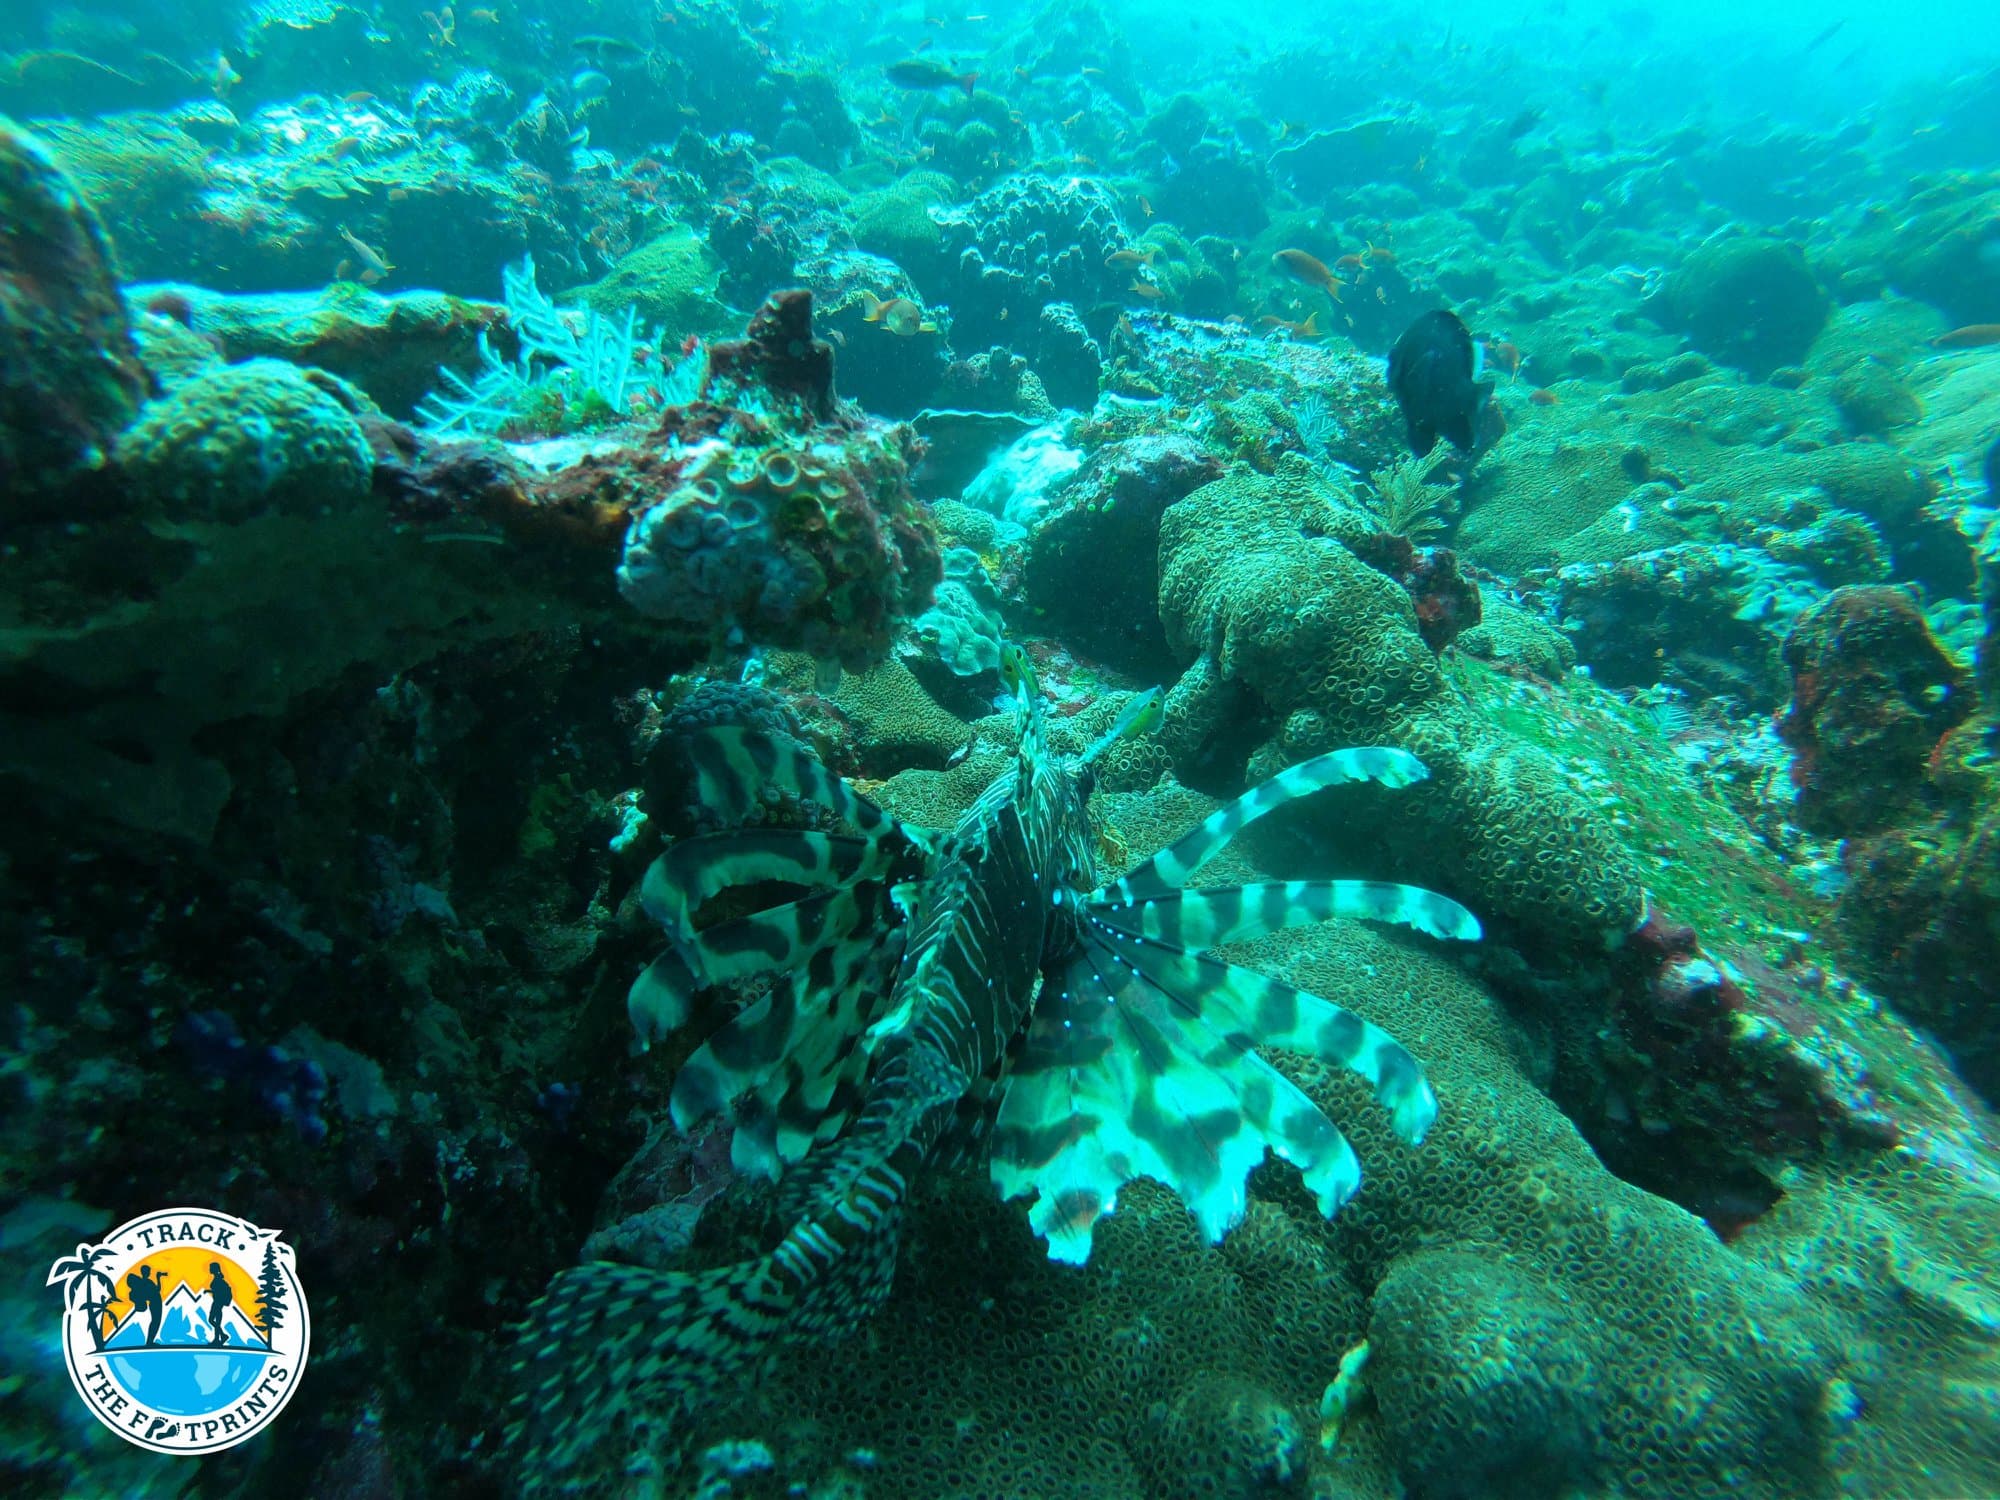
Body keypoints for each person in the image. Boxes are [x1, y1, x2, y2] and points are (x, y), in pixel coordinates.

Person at [126, 1266, 163, 1345]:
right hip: (156, 1302)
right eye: (149, 1271)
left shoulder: (143, 1282)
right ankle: (149, 1342)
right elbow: (157, 1290)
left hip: (154, 1302)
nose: (149, 1273)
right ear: (146, 1272)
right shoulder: (147, 1282)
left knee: (154, 1322)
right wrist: (158, 1278)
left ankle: (149, 1341)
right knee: (155, 1322)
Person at [206, 1263, 233, 1346]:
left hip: (217, 1302)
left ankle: (221, 1337)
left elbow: (219, 1291)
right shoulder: (218, 1278)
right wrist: (209, 1291)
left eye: (210, 1268)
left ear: (214, 1269)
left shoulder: (218, 1279)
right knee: (216, 1322)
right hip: (218, 1302)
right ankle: (219, 1338)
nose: (209, 1269)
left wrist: (210, 1291)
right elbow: (217, 1290)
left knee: (211, 1320)